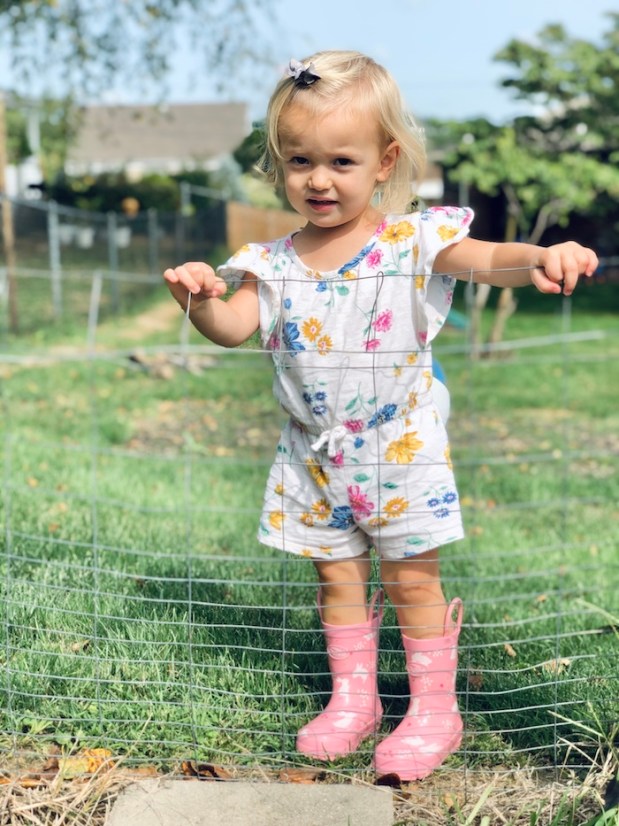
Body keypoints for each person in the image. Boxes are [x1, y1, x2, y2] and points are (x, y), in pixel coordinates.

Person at [163, 51, 598, 781]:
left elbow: (491, 259)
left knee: (410, 580)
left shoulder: (411, 243)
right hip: (314, 454)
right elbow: (233, 326)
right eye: (299, 160)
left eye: (340, 159)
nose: (319, 179)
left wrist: (542, 255)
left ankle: (433, 710)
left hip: (399, 446)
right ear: (278, 163)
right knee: (335, 578)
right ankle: (353, 699)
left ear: (382, 161)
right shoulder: (271, 262)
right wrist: (201, 297)